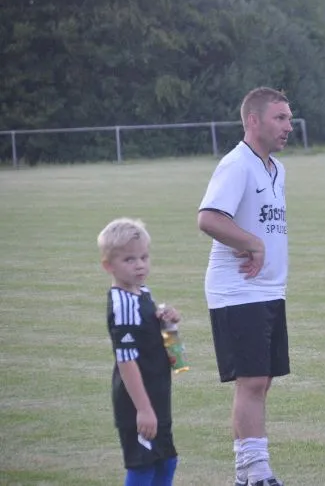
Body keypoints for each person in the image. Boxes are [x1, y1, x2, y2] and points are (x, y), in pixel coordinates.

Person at [197, 86, 292, 486]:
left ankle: (246, 472)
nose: (288, 126)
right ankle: (258, 472)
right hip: (237, 290)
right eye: (280, 118)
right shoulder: (237, 164)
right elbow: (209, 218)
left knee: (262, 381)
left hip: (269, 289)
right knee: (251, 380)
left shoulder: (277, 168)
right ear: (253, 121)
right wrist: (252, 243)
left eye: (289, 118)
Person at [98, 218, 181, 486]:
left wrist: (168, 322)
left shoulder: (143, 292)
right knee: (143, 467)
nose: (140, 265)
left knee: (166, 461)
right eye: (129, 259)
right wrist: (143, 409)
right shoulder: (121, 303)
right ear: (108, 266)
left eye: (144, 257)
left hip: (157, 393)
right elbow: (126, 360)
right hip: (137, 402)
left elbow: (159, 339)